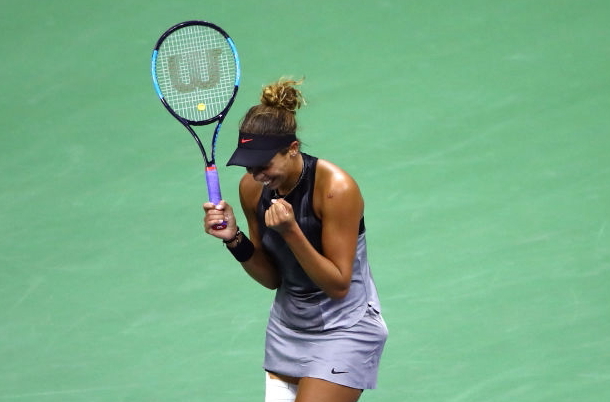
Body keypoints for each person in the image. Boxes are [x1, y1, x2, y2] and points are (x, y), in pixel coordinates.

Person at [203, 78, 388, 402]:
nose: (257, 175)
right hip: (289, 328)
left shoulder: (335, 190)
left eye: (264, 165)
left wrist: (291, 233)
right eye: (249, 166)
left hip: (346, 326)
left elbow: (338, 284)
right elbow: (273, 277)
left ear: (292, 149)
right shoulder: (251, 189)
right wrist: (234, 239)